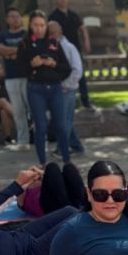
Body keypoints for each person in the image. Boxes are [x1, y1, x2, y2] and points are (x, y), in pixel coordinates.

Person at [18, 10, 71, 165]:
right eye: (36, 25)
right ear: (30, 25)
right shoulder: (25, 43)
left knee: (61, 126)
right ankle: (43, 163)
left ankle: (67, 161)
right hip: (36, 88)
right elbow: (19, 69)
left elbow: (66, 68)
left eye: (42, 25)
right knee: (41, 126)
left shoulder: (54, 43)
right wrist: (31, 65)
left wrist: (53, 64)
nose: (39, 29)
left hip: (54, 88)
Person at [0, 7, 32, 151]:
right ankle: (23, 141)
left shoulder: (26, 34)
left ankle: (41, 137)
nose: (15, 19)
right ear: (7, 20)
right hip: (11, 77)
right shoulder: (3, 35)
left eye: (18, 16)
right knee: (18, 110)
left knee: (33, 108)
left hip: (27, 76)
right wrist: (17, 51)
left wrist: (9, 52)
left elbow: (26, 51)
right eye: (12, 16)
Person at [46, 20, 84, 155]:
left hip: (67, 89)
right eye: (49, 33)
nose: (52, 35)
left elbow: (77, 70)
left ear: (60, 31)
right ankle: (76, 145)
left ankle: (62, 148)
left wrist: (65, 85)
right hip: (55, 89)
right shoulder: (49, 47)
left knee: (64, 120)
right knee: (64, 118)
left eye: (53, 32)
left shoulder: (69, 48)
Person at [49, 0, 92, 109]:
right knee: (65, 73)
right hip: (61, 49)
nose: (62, 0)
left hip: (75, 48)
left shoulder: (73, 15)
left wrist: (86, 41)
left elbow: (82, 28)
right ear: (55, 0)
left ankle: (85, 100)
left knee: (80, 73)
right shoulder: (53, 16)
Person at [16, 162, 88, 217]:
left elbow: (56, 178)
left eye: (38, 178)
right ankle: (69, 211)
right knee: (52, 166)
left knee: (68, 167)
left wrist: (40, 173)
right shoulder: (24, 192)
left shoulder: (47, 185)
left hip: (72, 203)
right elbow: (18, 189)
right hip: (54, 208)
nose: (35, 179)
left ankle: (85, 205)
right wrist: (24, 179)